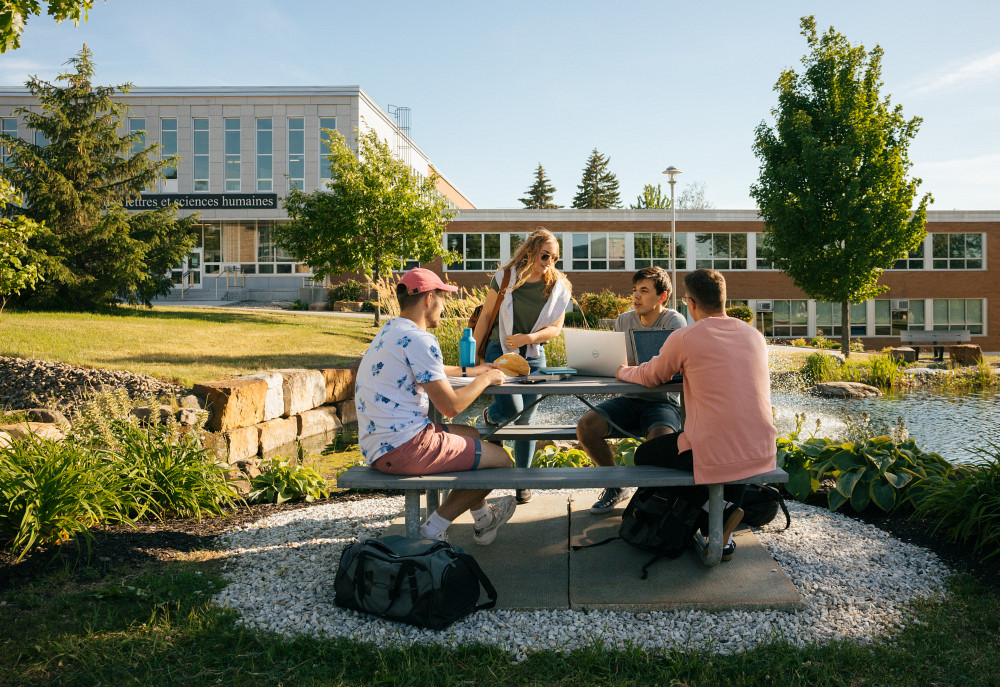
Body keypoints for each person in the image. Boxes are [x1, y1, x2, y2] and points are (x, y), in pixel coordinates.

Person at [615, 268, 777, 561]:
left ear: (690, 303)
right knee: (729, 448)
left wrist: (620, 370)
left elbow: (651, 376)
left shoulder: (686, 336)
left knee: (645, 455)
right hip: (761, 447)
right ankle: (721, 520)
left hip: (712, 449)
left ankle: (699, 517)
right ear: (723, 299)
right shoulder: (754, 335)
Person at [355, 268, 516, 545]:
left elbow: (432, 369)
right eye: (442, 299)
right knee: (501, 462)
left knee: (473, 436)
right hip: (405, 447)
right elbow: (451, 406)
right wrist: (487, 378)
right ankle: (431, 530)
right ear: (429, 299)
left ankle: (484, 520)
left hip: (379, 443)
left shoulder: (393, 330)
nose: (444, 306)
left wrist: (473, 371)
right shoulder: (421, 339)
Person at [473, 227, 572, 504]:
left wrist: (528, 338)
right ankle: (493, 417)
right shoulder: (504, 278)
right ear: (530, 252)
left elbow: (555, 328)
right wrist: (475, 359)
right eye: (545, 255)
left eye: (554, 257)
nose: (549, 261)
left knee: (527, 419)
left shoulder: (558, 286)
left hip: (533, 355)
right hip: (500, 351)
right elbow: (486, 317)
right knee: (514, 410)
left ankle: (522, 481)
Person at [576, 266, 688, 513]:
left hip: (663, 402)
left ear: (662, 297)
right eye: (634, 290)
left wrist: (633, 370)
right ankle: (616, 485)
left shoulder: (673, 321)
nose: (636, 296)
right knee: (586, 426)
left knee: (660, 442)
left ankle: (651, 498)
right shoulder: (623, 320)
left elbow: (669, 371)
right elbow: (618, 363)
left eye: (644, 291)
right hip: (629, 398)